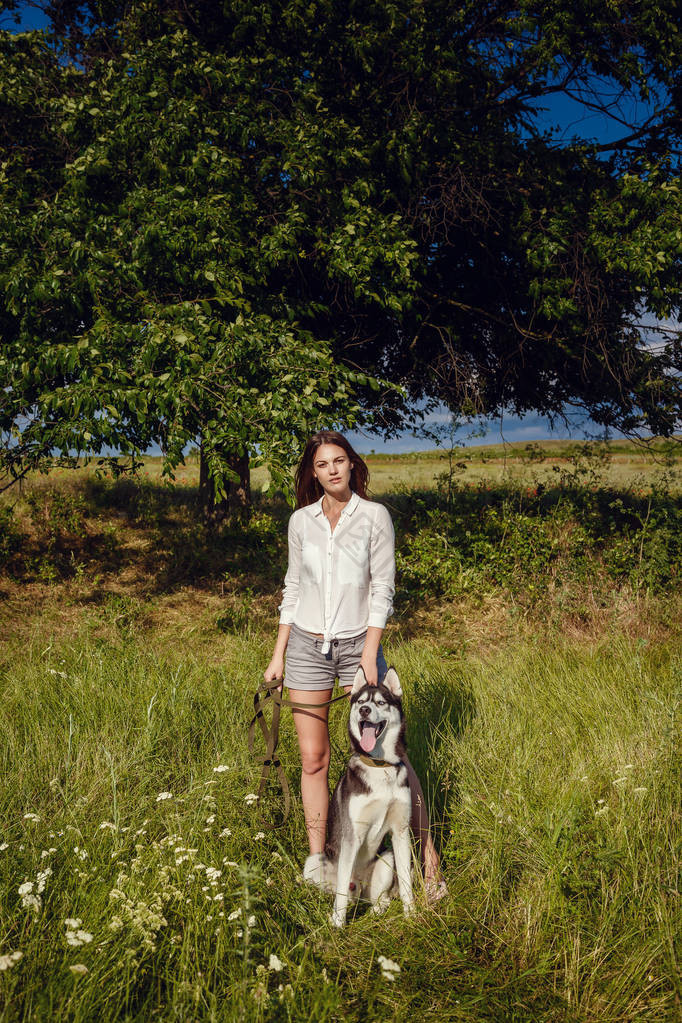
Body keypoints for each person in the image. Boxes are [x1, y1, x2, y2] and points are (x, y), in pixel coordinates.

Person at [264, 430, 446, 899]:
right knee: (313, 758)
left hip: (357, 648)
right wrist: (279, 653)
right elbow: (292, 589)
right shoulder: (300, 522)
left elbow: (383, 589)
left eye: (339, 461)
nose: (332, 470)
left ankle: (429, 867)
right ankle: (321, 862)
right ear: (312, 471)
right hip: (306, 647)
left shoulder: (374, 517)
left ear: (352, 465)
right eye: (322, 464)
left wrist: (370, 652)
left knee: (391, 758)